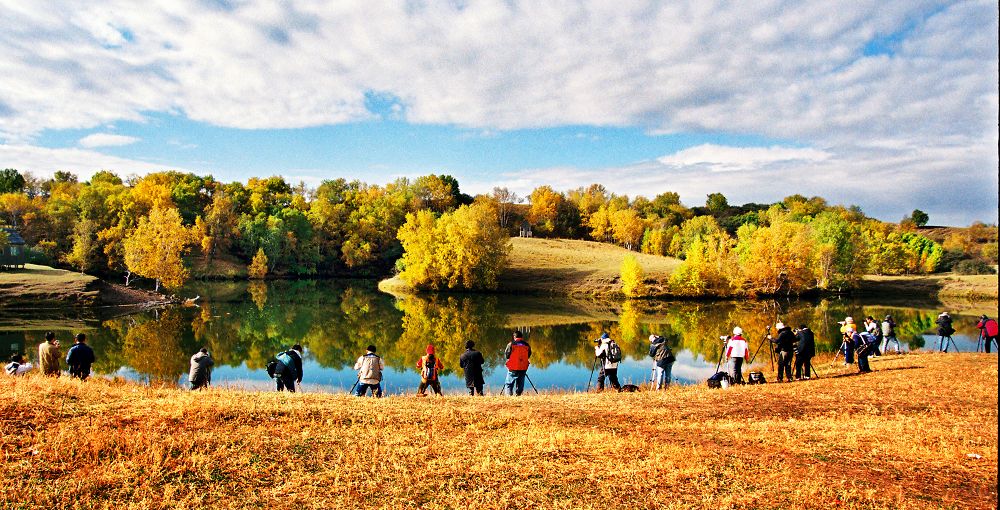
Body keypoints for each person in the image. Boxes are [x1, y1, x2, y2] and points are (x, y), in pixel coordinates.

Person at [503, 331, 531, 396]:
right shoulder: (527, 345)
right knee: (520, 382)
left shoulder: (511, 344)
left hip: (513, 367)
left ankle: (509, 397)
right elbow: (528, 355)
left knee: (509, 384)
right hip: (523, 367)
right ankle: (518, 395)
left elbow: (507, 355)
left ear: (514, 337)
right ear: (522, 337)